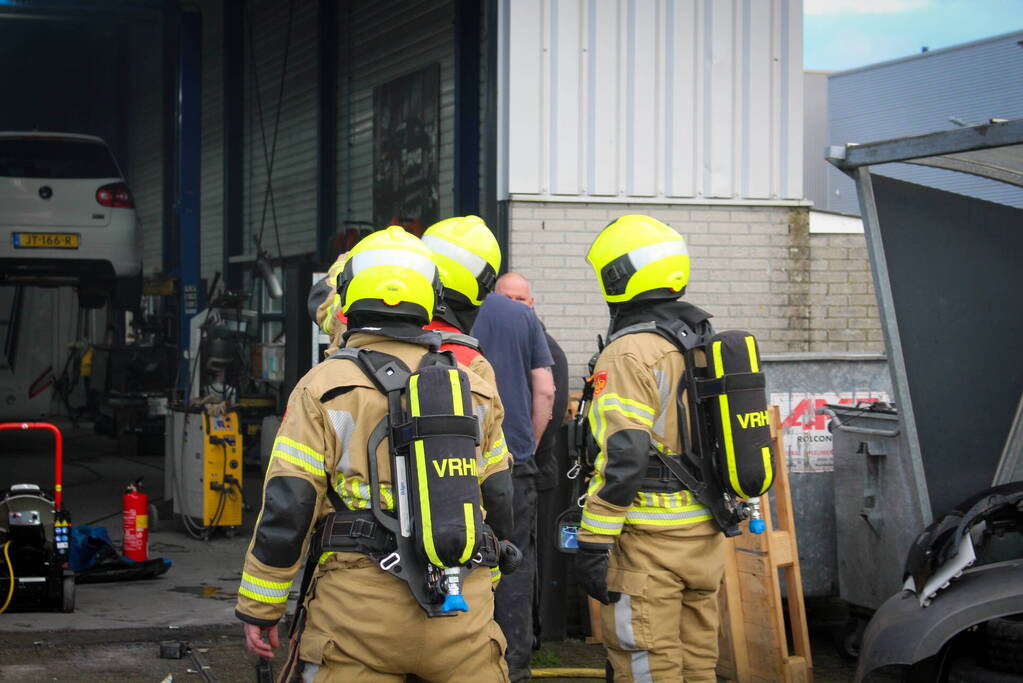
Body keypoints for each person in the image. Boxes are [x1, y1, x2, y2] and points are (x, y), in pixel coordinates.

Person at [237, 226, 515, 682]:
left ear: (348, 299)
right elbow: (501, 499)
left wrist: (261, 608)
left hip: (355, 618)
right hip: (461, 610)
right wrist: (483, 578)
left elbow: (289, 505)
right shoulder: (475, 386)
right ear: (432, 296)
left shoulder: (324, 388)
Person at [575, 215, 724, 682]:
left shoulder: (629, 352)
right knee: (698, 665)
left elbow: (624, 457)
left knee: (646, 666)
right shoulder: (700, 341)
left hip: (648, 544)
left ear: (617, 276)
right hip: (705, 535)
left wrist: (594, 541)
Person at [472, 282, 555, 682]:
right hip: (514, 462)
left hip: (446, 463)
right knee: (513, 562)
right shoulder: (522, 317)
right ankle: (514, 667)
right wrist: (529, 443)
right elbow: (546, 389)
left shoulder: (440, 310)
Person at [494, 272, 570, 647]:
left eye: (520, 299)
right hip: (517, 467)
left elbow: (552, 405)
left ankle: (530, 636)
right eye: (506, 297)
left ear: (532, 303)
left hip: (532, 469)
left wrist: (530, 451)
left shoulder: (547, 347)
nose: (513, 305)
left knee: (524, 557)